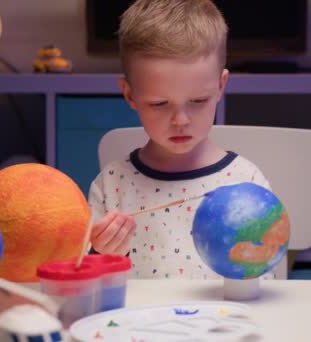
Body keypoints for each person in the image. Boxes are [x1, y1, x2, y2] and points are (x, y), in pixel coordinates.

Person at [87, 0, 271, 279]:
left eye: (197, 100)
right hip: (138, 322)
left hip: (222, 322)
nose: (181, 120)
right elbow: (91, 287)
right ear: (129, 95)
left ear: (221, 86)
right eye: (160, 103)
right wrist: (101, 255)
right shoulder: (112, 185)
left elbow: (262, 282)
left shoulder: (246, 182)